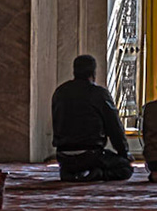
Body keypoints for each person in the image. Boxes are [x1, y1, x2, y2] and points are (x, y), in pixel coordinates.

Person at [51, 54, 133, 182]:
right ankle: (96, 174)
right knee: (125, 169)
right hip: (91, 155)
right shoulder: (99, 93)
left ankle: (71, 173)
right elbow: (114, 127)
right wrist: (124, 153)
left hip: (64, 155)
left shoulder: (60, 92)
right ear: (93, 73)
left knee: (74, 164)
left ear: (74, 71)